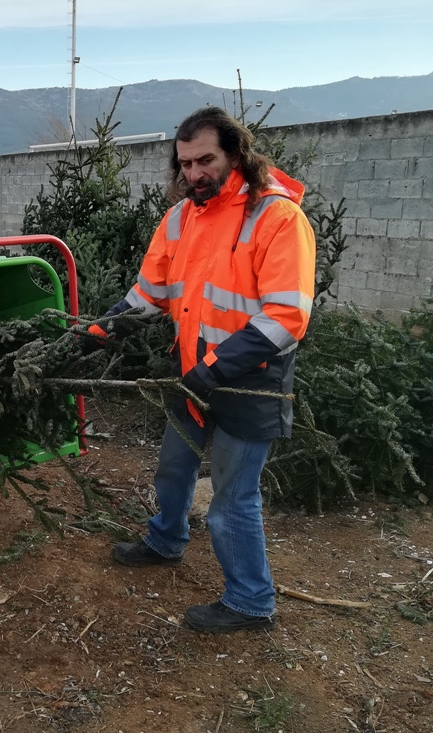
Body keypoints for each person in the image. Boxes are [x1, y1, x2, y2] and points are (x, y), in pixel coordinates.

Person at [86, 106, 316, 633]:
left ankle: (251, 602)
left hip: (252, 382)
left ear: (236, 154)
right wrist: (98, 331)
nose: (194, 174)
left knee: (233, 500)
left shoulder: (277, 218)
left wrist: (214, 367)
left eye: (205, 160)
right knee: (172, 468)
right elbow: (151, 293)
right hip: (191, 374)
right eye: (185, 163)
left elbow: (287, 316)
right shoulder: (180, 218)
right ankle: (165, 541)